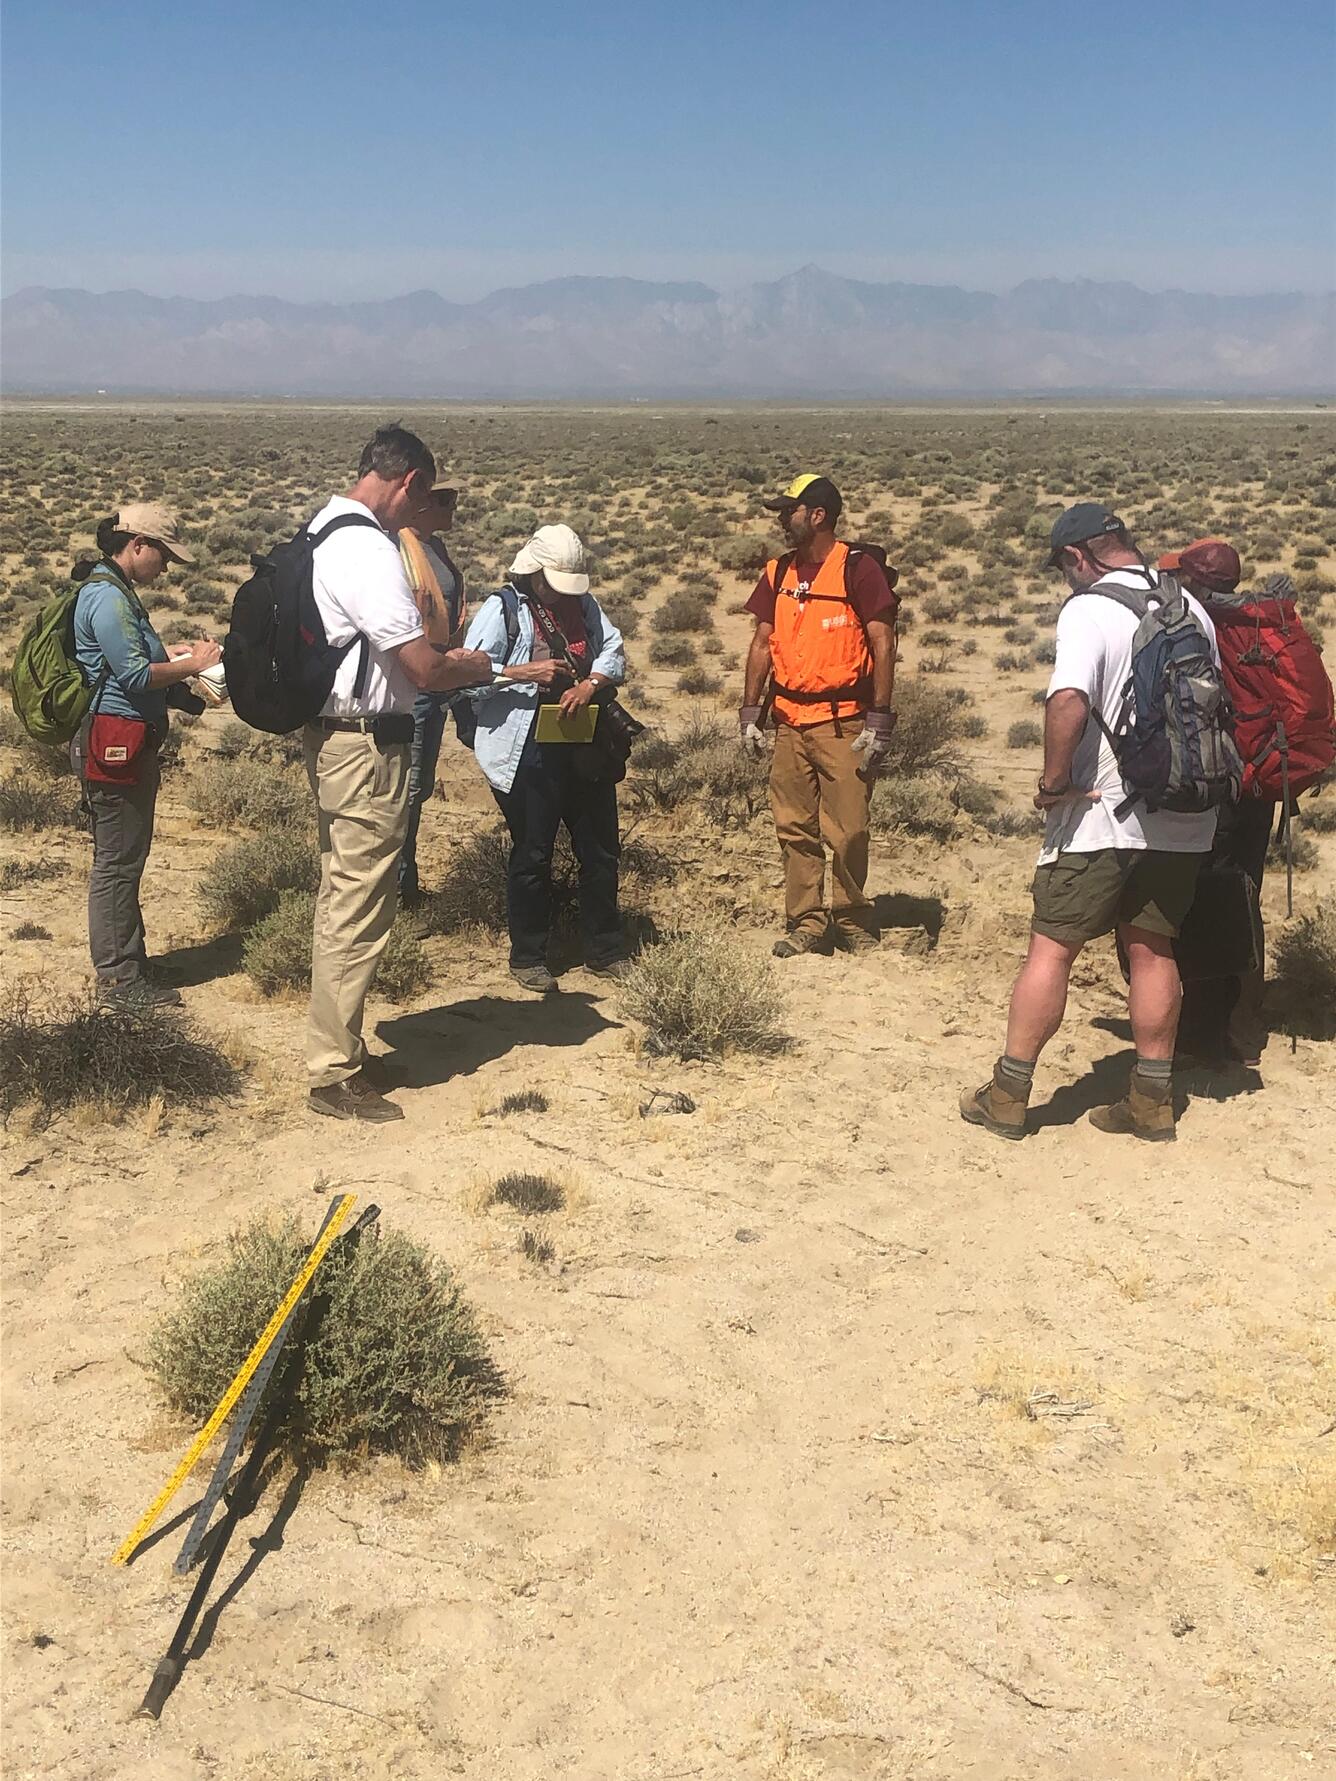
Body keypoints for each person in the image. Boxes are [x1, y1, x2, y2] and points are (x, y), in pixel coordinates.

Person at [960, 503, 1221, 1144]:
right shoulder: (1193, 608)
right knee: (1153, 949)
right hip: (1186, 812)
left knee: (1052, 947)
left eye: (1063, 567)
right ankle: (1152, 1100)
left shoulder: (1087, 608)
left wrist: (1053, 785)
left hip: (1103, 810)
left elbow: (1070, 698)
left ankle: (1009, 1094)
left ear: (1079, 557)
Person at [304, 426, 491, 1122]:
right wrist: (471, 665)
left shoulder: (324, 527)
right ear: (408, 480)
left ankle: (341, 1045)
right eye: (424, 497)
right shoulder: (366, 549)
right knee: (356, 905)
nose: (424, 514)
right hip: (364, 747)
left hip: (339, 739)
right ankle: (332, 1072)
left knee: (342, 895)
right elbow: (422, 665)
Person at [459, 524, 627, 993]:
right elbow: (468, 674)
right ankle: (529, 956)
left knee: (599, 849)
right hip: (526, 747)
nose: (561, 593)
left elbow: (613, 650)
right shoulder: (503, 609)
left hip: (582, 741)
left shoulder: (586, 606)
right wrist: (520, 672)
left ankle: (605, 948)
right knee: (533, 852)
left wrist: (589, 683)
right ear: (533, 572)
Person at [738, 474, 898, 957]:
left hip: (844, 724)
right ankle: (806, 922)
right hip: (789, 723)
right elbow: (763, 642)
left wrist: (880, 720)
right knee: (793, 827)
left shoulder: (858, 569)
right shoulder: (778, 573)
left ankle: (851, 919)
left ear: (818, 515)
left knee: (848, 829)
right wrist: (750, 712)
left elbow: (883, 642)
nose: (782, 520)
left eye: (789, 511)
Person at [71, 504, 221, 1006]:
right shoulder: (109, 599)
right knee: (117, 863)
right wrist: (193, 665)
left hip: (122, 742)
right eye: (164, 555)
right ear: (137, 545)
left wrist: (171, 653)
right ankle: (119, 978)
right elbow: (134, 677)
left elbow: (132, 662)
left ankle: (128, 962)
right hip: (115, 745)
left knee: (123, 858)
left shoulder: (113, 593)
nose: (167, 568)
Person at [397, 481, 467, 905]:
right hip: (415, 681)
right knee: (407, 786)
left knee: (418, 785)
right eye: (444, 500)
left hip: (441, 675)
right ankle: (400, 889)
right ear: (421, 504)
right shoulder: (400, 549)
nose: (452, 508)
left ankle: (404, 883)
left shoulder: (435, 548)